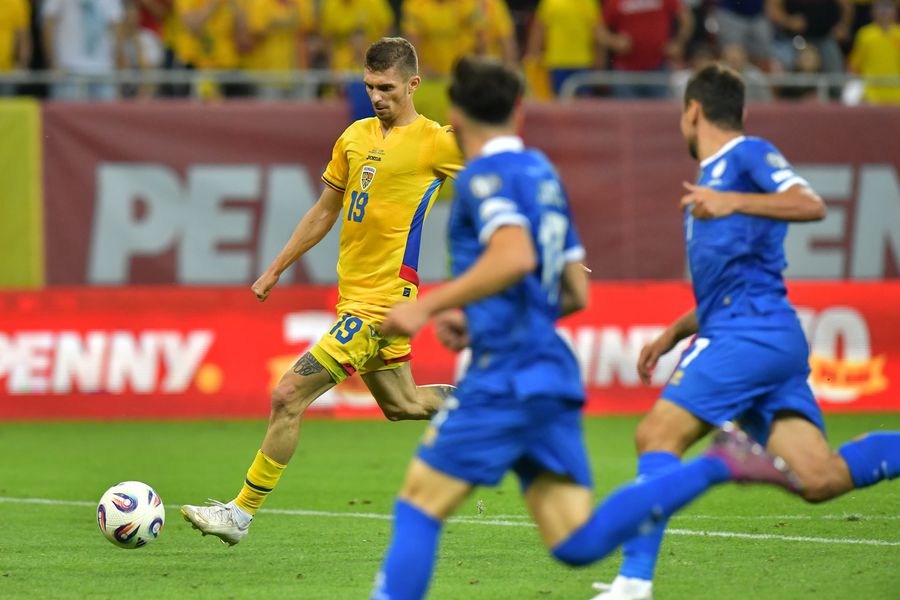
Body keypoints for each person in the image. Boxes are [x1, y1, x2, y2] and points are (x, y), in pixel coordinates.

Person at [370, 55, 803, 600]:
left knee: (418, 507)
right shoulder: (543, 176)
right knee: (575, 540)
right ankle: (719, 463)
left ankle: (721, 464)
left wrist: (427, 308)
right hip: (550, 372)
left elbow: (514, 253)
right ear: (520, 110)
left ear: (453, 113)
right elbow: (575, 291)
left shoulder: (483, 177)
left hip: (502, 375)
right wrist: (480, 317)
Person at [590, 64, 900, 600]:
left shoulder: (746, 155)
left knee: (656, 434)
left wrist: (733, 200)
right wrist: (672, 333)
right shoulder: (712, 180)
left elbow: (811, 203)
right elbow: (729, 280)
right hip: (759, 336)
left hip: (748, 334)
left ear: (692, 111)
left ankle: (633, 582)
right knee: (818, 477)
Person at [181, 37, 464, 545]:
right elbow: (324, 211)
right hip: (352, 296)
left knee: (288, 394)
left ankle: (239, 515)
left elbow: (500, 183)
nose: (378, 97)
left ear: (414, 85)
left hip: (385, 303)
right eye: (370, 87)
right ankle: (501, 408)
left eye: (388, 88)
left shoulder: (437, 142)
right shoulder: (354, 137)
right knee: (402, 405)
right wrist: (276, 268)